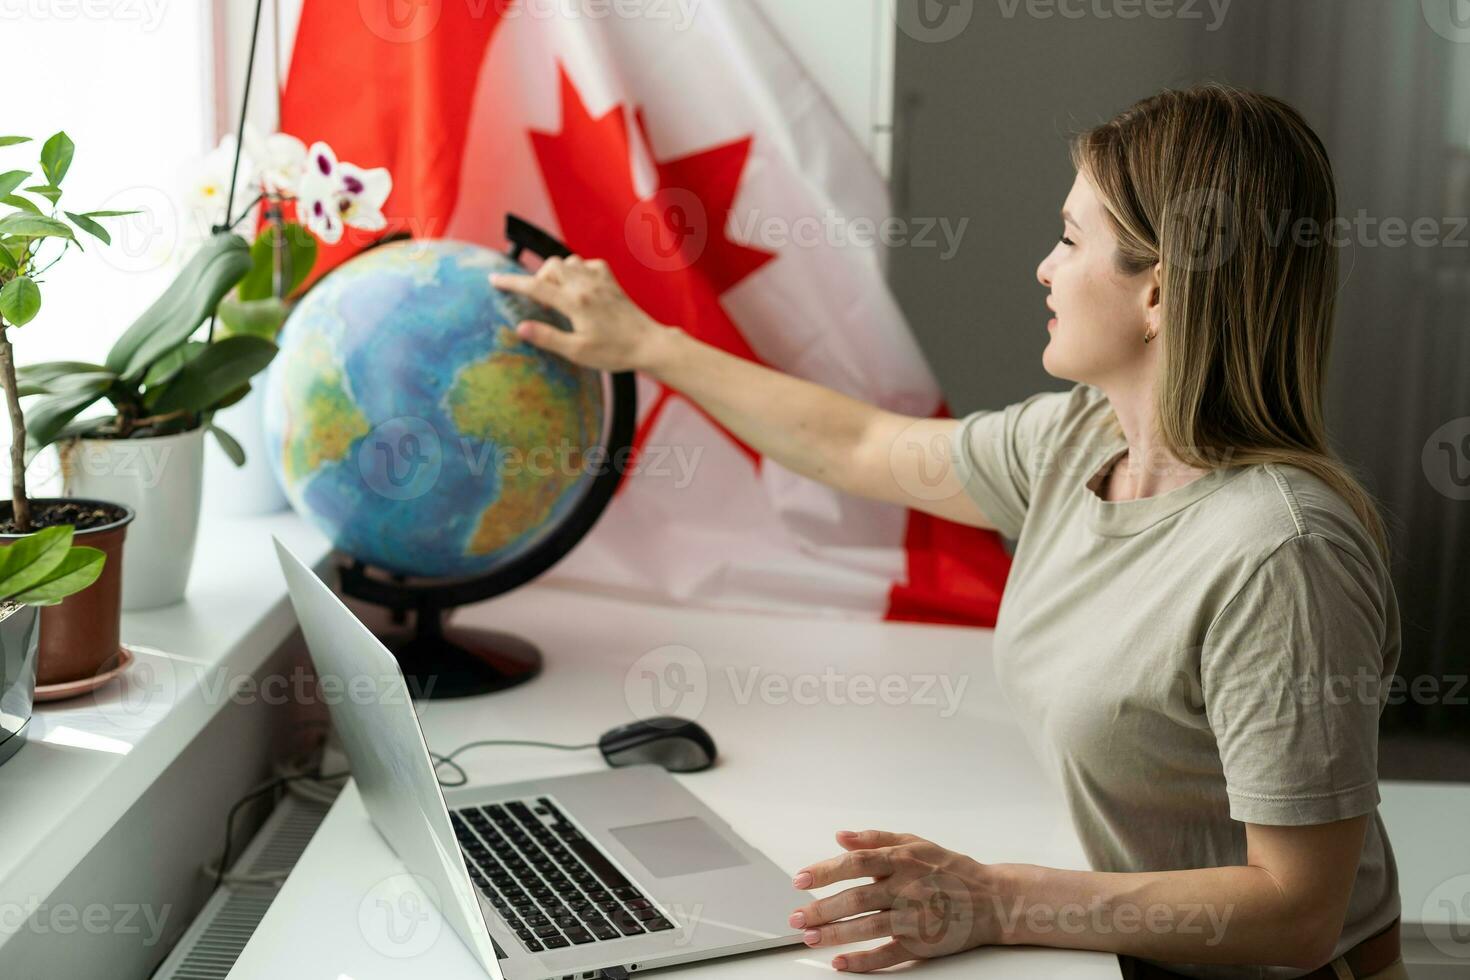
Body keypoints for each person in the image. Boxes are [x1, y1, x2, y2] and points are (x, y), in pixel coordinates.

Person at [489, 83, 1404, 979]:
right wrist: (646, 345)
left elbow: (1296, 910)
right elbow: (858, 444)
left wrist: (998, 899)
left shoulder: (1283, 556)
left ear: (1159, 294)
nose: (1044, 267)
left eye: (1070, 239)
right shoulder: (1079, 440)